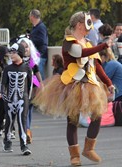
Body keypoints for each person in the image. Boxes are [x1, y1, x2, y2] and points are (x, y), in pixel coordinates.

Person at [32, 11, 115, 166]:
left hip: (90, 84)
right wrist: (103, 45)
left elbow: (96, 66)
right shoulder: (69, 42)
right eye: (87, 23)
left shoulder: (89, 42)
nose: (90, 27)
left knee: (97, 115)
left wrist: (108, 82)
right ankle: (74, 156)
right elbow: (80, 53)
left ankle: (89, 148)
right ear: (79, 25)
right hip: (72, 85)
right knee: (73, 121)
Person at [1, 43, 32, 155]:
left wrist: (28, 98)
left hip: (22, 99)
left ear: (20, 53)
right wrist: (4, 95)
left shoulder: (27, 68)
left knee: (22, 121)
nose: (11, 55)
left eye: (13, 52)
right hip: (9, 100)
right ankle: (7, 141)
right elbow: (3, 84)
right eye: (10, 52)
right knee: (9, 121)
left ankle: (24, 145)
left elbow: (30, 85)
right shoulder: (7, 68)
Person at [17, 37, 42, 144]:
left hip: (33, 87)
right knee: (24, 110)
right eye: (22, 47)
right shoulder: (17, 61)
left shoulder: (33, 61)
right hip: (21, 87)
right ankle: (26, 131)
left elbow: (37, 72)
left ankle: (28, 130)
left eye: (26, 46)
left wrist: (42, 85)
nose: (25, 49)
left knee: (29, 110)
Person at [99, 49, 122, 126]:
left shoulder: (111, 65)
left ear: (102, 57)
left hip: (119, 94)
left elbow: (102, 82)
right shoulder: (112, 63)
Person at [29, 9, 48, 80]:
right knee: (34, 74)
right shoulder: (36, 27)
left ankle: (43, 89)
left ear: (32, 17)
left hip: (40, 55)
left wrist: (30, 41)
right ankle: (38, 89)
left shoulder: (41, 27)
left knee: (39, 74)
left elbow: (42, 40)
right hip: (36, 55)